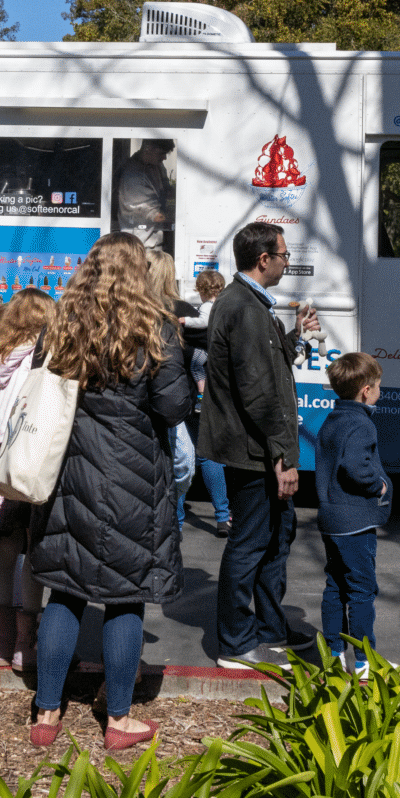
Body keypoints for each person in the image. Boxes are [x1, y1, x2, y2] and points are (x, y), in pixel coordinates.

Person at [25, 232, 191, 750]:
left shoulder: (62, 322)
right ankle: (118, 721)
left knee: (65, 590)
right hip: (133, 480)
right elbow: (173, 408)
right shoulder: (155, 327)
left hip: (70, 473)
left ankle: (46, 714)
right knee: (126, 597)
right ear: (139, 272)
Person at [203, 221, 319, 670]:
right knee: (250, 543)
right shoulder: (244, 307)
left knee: (276, 539)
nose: (287, 262)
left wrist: (295, 336)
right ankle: (234, 642)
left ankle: (271, 628)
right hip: (253, 453)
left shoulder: (250, 305)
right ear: (263, 259)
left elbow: (265, 369)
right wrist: (282, 456)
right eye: (284, 255)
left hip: (258, 450)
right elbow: (257, 393)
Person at [0, 287, 52, 668]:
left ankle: (0, 644)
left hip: (0, 462)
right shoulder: (41, 359)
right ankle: (24, 645)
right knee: (34, 551)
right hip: (31, 460)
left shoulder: (1, 358)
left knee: (4, 552)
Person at [314, 351, 389, 676]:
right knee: (361, 591)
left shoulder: (333, 419)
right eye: (378, 386)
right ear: (365, 391)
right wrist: (378, 486)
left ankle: (333, 656)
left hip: (331, 519)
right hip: (354, 521)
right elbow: (355, 467)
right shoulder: (362, 424)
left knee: (335, 586)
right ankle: (362, 661)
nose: (380, 392)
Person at [147, 249, 199, 529]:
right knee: (181, 463)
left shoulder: (134, 312)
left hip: (149, 404)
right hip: (174, 405)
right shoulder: (181, 312)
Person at [183, 267, 231, 535]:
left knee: (183, 456)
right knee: (210, 456)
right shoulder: (227, 311)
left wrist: (183, 322)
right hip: (218, 389)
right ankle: (223, 516)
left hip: (189, 396)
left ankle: (175, 520)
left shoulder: (198, 312)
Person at [115, 139, 174, 247]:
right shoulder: (133, 177)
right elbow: (154, 215)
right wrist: (179, 217)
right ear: (148, 148)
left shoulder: (156, 165)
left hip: (155, 238)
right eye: (162, 153)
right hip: (141, 244)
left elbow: (167, 190)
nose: (164, 158)